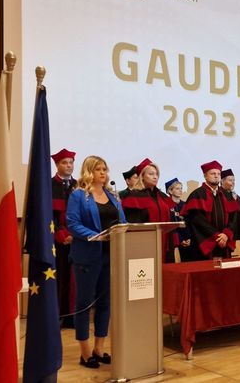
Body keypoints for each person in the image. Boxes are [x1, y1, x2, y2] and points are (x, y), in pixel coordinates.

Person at [66, 156, 126, 369]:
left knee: (105, 303)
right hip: (87, 256)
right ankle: (84, 352)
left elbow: (122, 222)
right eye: (98, 169)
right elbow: (72, 223)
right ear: (89, 172)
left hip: (111, 256)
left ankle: (99, 348)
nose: (103, 173)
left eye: (105, 169)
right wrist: (95, 236)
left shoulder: (112, 195)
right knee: (84, 304)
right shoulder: (79, 195)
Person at [122, 158, 177, 262]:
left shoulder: (162, 196)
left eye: (156, 174)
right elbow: (133, 225)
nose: (155, 177)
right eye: (151, 174)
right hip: (145, 245)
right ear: (142, 176)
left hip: (166, 244)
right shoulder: (134, 196)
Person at [181, 160, 239, 260]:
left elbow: (233, 218)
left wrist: (226, 234)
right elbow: (198, 221)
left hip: (224, 243)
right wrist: (216, 236)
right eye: (213, 173)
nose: (216, 176)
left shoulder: (227, 195)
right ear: (205, 176)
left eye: (218, 174)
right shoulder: (197, 194)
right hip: (205, 244)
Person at [51, 148, 77, 329]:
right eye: (64, 163)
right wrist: (62, 235)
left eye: (71, 162)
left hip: (77, 240)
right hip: (57, 242)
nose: (68, 166)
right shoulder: (49, 185)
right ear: (57, 165)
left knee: (74, 280)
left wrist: (75, 234)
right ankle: (57, 315)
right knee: (59, 278)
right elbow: (48, 215)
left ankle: (72, 316)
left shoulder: (79, 185)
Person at [221, 168, 240, 247]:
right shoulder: (219, 195)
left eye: (234, 180)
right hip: (227, 233)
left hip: (239, 232)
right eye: (230, 180)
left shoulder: (235, 196)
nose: (233, 183)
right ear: (222, 181)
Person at [165, 177, 192, 261]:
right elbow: (169, 225)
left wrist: (189, 237)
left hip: (187, 238)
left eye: (181, 188)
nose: (180, 190)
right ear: (170, 191)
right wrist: (180, 239)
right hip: (173, 239)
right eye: (177, 189)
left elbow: (189, 222)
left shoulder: (185, 204)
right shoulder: (166, 205)